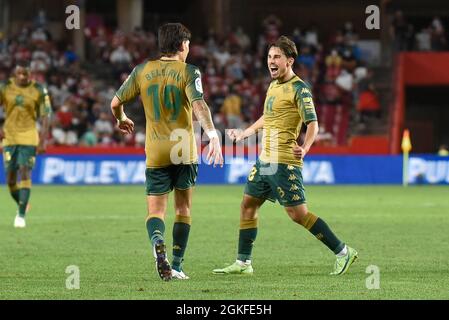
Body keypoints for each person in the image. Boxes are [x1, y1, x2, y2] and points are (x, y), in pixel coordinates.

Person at [213, 36, 358, 276]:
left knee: (297, 214)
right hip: (264, 160)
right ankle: (243, 262)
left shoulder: (300, 89)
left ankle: (343, 252)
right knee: (248, 204)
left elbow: (313, 124)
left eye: (277, 57)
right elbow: (267, 116)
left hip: (283, 162)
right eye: (269, 56)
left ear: (289, 61)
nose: (271, 61)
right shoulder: (273, 85)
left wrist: (306, 146)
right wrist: (245, 133)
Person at [110, 23, 223, 281]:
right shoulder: (189, 71)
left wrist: (122, 118)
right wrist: (213, 134)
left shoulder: (142, 71)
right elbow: (199, 104)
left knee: (156, 212)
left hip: (156, 150)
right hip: (183, 148)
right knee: (183, 210)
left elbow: (115, 103)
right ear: (182, 45)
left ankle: (157, 241)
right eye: (188, 45)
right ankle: (178, 265)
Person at [0, 60, 51, 228]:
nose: (22, 77)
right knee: (10, 178)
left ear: (30, 74)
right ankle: (22, 203)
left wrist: (43, 139)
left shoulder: (39, 90)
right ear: (15, 74)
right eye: (19, 74)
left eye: (25, 74)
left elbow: (45, 116)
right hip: (9, 136)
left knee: (24, 171)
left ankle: (21, 216)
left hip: (29, 136)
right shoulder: (5, 87)